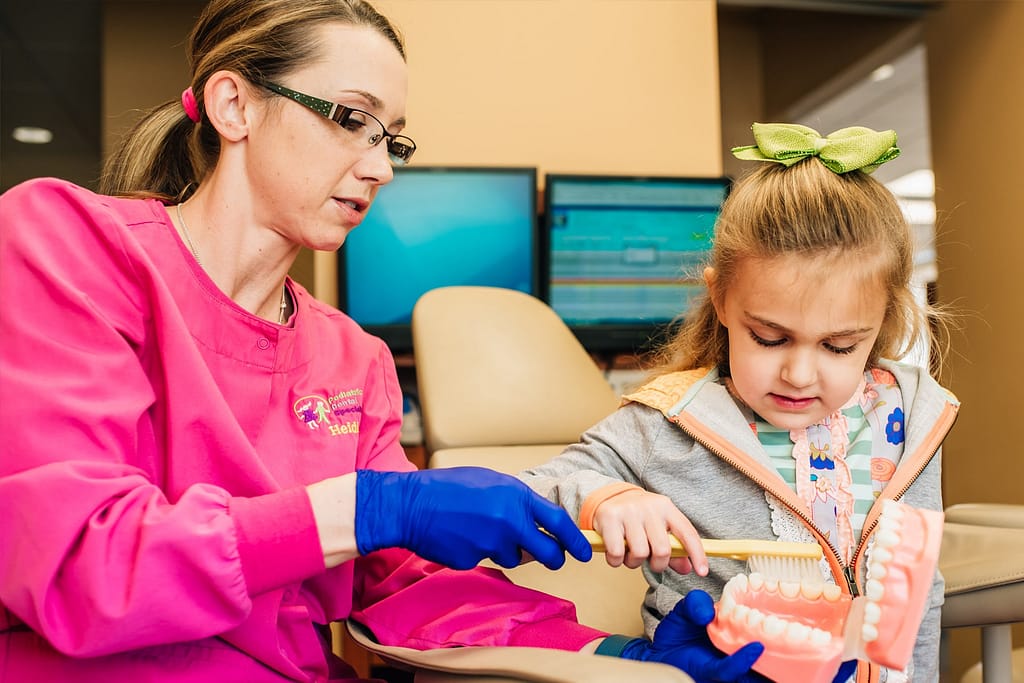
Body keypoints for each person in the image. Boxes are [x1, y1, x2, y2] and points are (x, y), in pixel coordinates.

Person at [0, 1, 767, 681]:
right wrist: (372, 503)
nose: (380, 168)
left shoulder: (350, 356)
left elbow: (406, 586)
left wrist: (611, 655)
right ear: (235, 105)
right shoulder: (69, 248)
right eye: (349, 119)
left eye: (390, 141)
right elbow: (85, 566)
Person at [519, 123, 957, 683]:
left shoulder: (912, 418)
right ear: (721, 299)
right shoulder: (670, 421)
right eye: (770, 338)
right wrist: (607, 495)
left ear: (880, 326)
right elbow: (535, 489)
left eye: (838, 346)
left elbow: (920, 595)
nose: (799, 374)